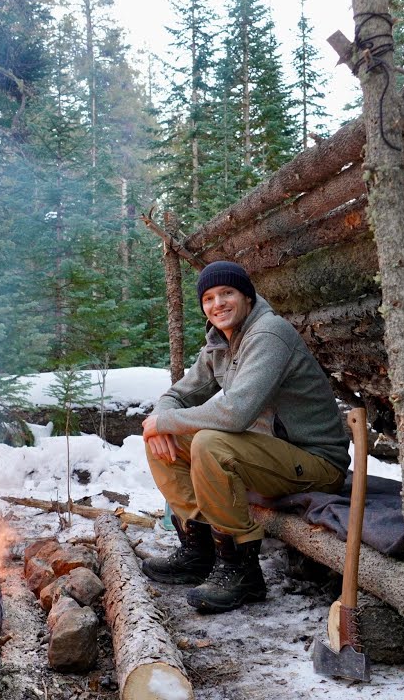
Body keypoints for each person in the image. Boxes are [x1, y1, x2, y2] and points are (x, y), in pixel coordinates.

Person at [141, 260, 351, 613]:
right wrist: (159, 420)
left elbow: (235, 413)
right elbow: (179, 394)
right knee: (161, 442)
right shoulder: (220, 344)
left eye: (227, 293)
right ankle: (200, 552)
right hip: (269, 457)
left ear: (247, 297)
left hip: (315, 461)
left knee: (210, 443)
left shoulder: (269, 334)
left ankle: (242, 571)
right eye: (208, 298)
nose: (218, 304)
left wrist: (166, 422)